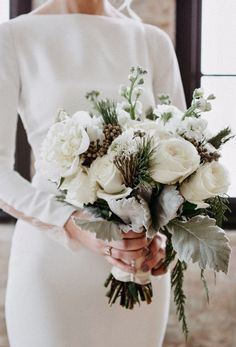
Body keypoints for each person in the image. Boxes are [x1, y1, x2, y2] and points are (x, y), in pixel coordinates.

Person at [0, 0, 186, 346]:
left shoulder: (151, 41)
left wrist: (162, 238)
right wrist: (75, 224)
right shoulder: (13, 37)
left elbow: (181, 162)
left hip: (137, 262)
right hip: (53, 263)